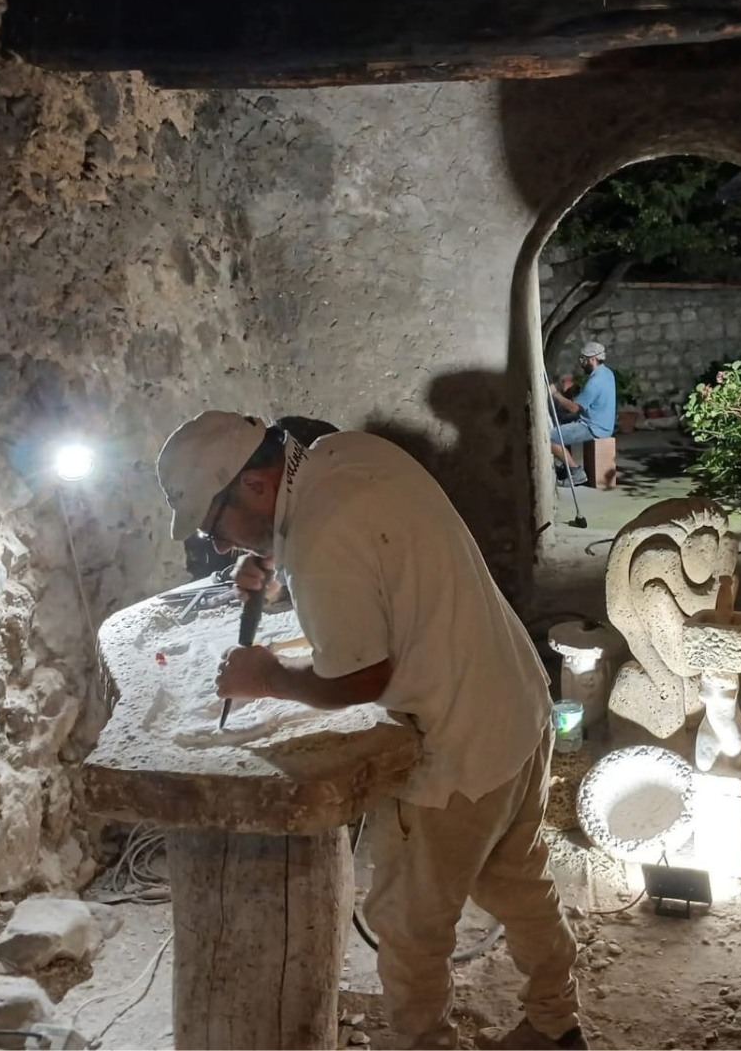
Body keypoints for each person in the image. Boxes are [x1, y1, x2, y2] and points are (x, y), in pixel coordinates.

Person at [155, 412, 585, 1051]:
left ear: (253, 485)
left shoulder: (320, 539)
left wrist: (268, 676)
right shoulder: (346, 455)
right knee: (516, 878)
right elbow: (370, 562)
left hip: (457, 747)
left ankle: (426, 1043)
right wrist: (275, 562)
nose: (217, 546)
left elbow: (360, 677)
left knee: (409, 927)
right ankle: (556, 1023)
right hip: (516, 702)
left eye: (213, 526)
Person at [548, 341, 615, 486]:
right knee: (562, 421)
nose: (581, 363)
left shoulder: (595, 382)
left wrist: (555, 394)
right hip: (602, 422)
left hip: (593, 427)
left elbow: (574, 408)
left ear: (593, 359)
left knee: (549, 437)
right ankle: (567, 465)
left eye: (583, 359)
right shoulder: (607, 373)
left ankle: (576, 471)